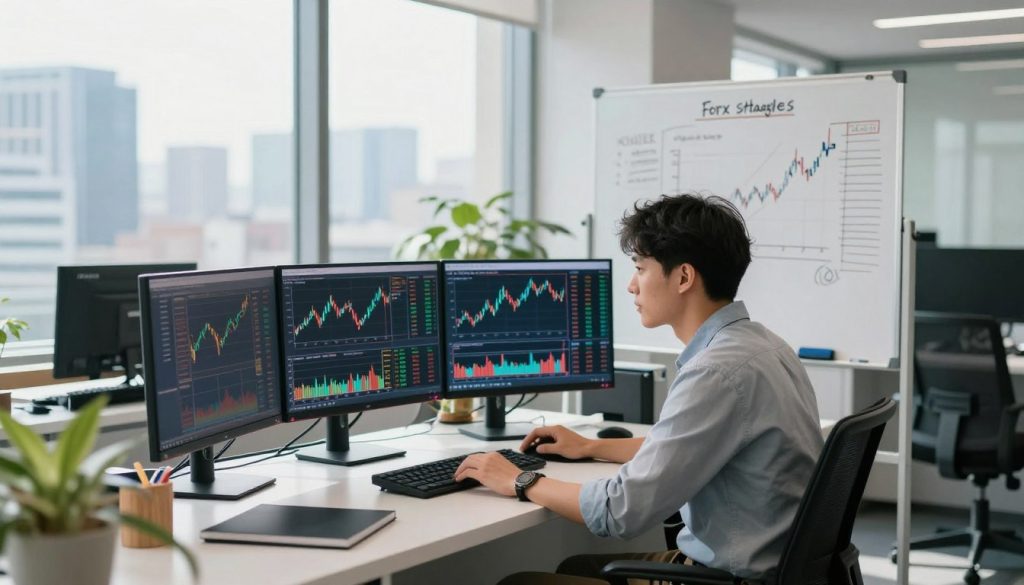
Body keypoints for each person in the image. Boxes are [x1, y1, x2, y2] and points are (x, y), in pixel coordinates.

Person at [453, 193, 824, 585]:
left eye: (641, 268)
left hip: (727, 578)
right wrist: (590, 447)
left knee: (521, 584)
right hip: (778, 568)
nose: (631, 285)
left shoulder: (715, 373)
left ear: (683, 277)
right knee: (575, 569)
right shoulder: (765, 346)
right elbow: (684, 448)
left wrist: (521, 481)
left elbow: (620, 511)